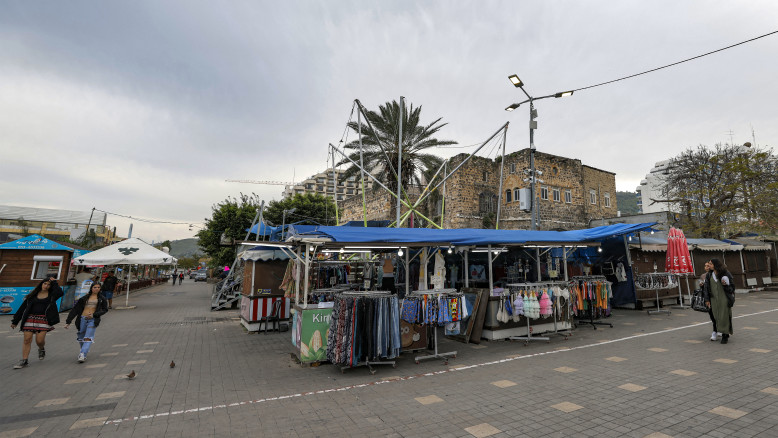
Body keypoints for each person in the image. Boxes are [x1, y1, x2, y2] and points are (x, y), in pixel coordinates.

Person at [10, 277, 64, 369]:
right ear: (41, 284)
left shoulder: (52, 295)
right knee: (27, 340)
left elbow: (60, 293)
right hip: (30, 319)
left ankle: (41, 348)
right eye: (45, 284)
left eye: (48, 284)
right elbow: (22, 308)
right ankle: (24, 360)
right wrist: (15, 321)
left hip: (43, 320)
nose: (46, 286)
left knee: (39, 341)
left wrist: (54, 282)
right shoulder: (32, 295)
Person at [64, 281, 108, 362]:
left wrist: (94, 315)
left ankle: (82, 354)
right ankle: (84, 349)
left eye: (98, 287)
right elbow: (75, 309)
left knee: (88, 337)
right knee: (81, 336)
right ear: (91, 288)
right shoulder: (84, 298)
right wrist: (68, 321)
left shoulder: (102, 299)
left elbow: (105, 310)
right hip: (82, 319)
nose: (97, 289)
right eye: (95, 287)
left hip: (93, 320)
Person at [704, 258, 734, 344]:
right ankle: (722, 331)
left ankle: (725, 335)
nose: (709, 265)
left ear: (716, 265)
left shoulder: (725, 273)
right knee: (716, 316)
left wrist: (726, 285)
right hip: (713, 299)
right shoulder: (709, 275)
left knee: (724, 316)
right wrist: (707, 299)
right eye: (709, 264)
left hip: (724, 298)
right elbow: (706, 288)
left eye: (711, 264)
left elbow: (732, 287)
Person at [698, 260, 721, 341]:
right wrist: (701, 285)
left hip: (717, 298)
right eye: (705, 266)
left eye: (708, 265)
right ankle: (715, 330)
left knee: (719, 314)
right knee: (712, 315)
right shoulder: (703, 276)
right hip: (708, 298)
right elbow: (702, 287)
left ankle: (718, 329)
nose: (707, 267)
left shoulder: (716, 274)